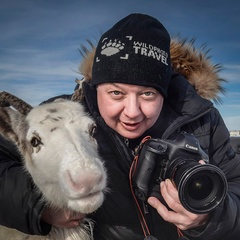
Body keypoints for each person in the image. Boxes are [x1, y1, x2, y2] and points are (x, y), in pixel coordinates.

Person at [1, 13, 240, 240]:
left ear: (164, 93)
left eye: (148, 94)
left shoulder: (203, 120)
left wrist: (211, 218)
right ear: (96, 87)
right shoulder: (59, 119)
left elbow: (236, 184)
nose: (132, 112)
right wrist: (38, 205)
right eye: (116, 93)